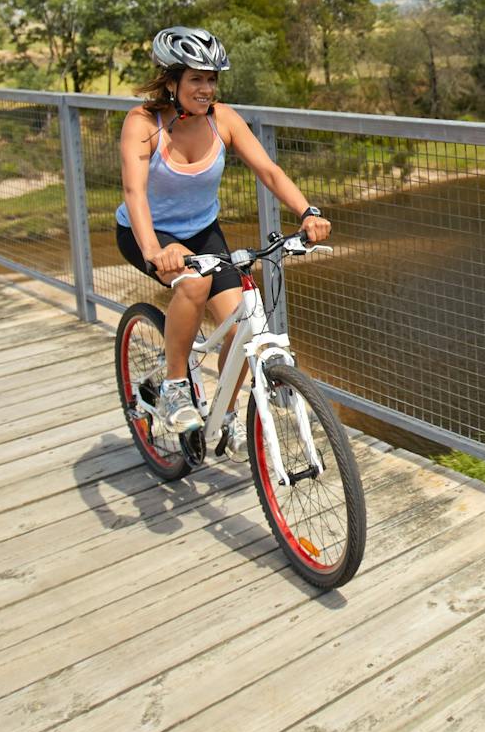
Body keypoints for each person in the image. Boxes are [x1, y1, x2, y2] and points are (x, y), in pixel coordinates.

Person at [116, 25, 328, 433]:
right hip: (147, 232)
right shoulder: (142, 123)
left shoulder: (223, 120)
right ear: (171, 81)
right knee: (193, 283)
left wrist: (307, 212)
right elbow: (134, 193)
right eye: (196, 79)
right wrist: (154, 251)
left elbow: (268, 170)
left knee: (242, 319)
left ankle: (224, 415)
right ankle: (175, 385)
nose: (206, 89)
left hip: (202, 231)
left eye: (211, 79)